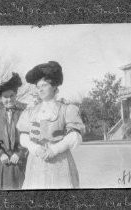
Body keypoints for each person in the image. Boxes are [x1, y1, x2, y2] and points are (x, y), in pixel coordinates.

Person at [17, 61, 85, 189]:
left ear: (54, 87)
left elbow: (75, 135)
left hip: (60, 162)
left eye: (44, 85)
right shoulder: (30, 112)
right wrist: (35, 148)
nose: (40, 89)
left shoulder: (67, 110)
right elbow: (23, 137)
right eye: (38, 87)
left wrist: (54, 150)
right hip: (36, 162)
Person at [0, 73, 27, 190]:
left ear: (16, 95)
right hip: (3, 164)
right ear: (1, 98)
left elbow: (30, 136)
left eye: (12, 95)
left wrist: (19, 153)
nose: (9, 99)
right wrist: (0, 154)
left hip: (19, 164)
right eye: (5, 97)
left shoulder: (24, 115)